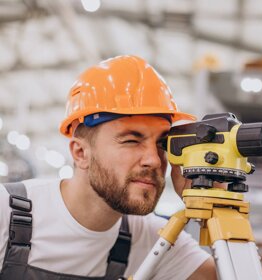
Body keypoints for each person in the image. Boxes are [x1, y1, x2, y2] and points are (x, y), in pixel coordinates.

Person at [0, 56, 217, 279]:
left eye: (162, 144)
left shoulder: (151, 239)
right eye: (132, 140)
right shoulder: (5, 215)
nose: (154, 160)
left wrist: (214, 205)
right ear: (80, 153)